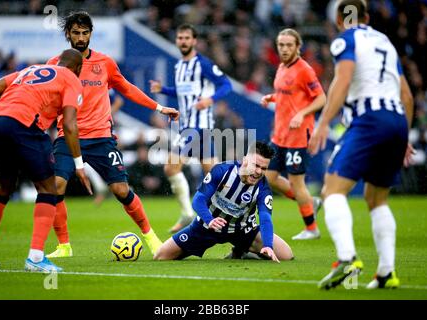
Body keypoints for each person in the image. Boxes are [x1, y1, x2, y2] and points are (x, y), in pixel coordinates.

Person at [46, 11, 179, 258]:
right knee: (56, 187)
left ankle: (151, 238)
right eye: (76, 33)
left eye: (85, 33)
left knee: (120, 190)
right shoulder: (55, 64)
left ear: (91, 34)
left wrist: (159, 107)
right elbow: (45, 99)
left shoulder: (105, 63)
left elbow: (127, 89)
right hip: (68, 137)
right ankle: (64, 246)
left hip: (101, 138)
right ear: (68, 34)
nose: (81, 38)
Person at [308, 0, 414, 290]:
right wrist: (403, 135)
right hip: (395, 119)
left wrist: (324, 122)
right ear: (367, 16)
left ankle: (347, 258)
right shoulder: (386, 43)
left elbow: (342, 81)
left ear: (340, 20)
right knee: (376, 199)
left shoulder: (346, 39)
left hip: (369, 119)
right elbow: (406, 95)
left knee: (331, 190)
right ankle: (386, 273)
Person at [0, 49, 92, 272]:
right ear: (77, 69)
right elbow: (69, 124)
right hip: (24, 124)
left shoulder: (30, 70)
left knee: (4, 187)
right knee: (49, 188)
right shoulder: (71, 79)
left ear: (58, 61)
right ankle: (36, 258)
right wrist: (79, 164)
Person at [149, 23, 232, 233]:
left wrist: (210, 99)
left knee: (170, 167)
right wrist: (163, 90)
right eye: (180, 38)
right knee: (216, 178)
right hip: (193, 127)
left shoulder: (203, 64)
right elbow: (182, 92)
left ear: (194, 41)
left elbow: (226, 85)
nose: (183, 41)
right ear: (176, 41)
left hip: (197, 127)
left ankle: (187, 213)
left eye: (187, 38)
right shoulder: (179, 66)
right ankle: (229, 216)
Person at [153, 141, 294, 262]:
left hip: (242, 230)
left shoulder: (263, 187)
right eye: (256, 165)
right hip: (207, 227)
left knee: (286, 255)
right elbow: (198, 200)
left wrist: (268, 245)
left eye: (263, 168)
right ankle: (188, 248)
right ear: (245, 160)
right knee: (161, 256)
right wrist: (209, 220)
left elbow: (265, 218)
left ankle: (242, 252)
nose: (258, 171)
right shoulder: (222, 171)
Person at [260, 28, 326, 240]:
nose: (285, 49)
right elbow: (287, 96)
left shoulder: (304, 70)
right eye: (281, 45)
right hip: (280, 135)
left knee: (297, 182)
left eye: (289, 45)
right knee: (269, 177)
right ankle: (309, 202)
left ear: (298, 47)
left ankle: (311, 228)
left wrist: (303, 113)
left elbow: (321, 98)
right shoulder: (281, 67)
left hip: (298, 135)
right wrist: (272, 97)